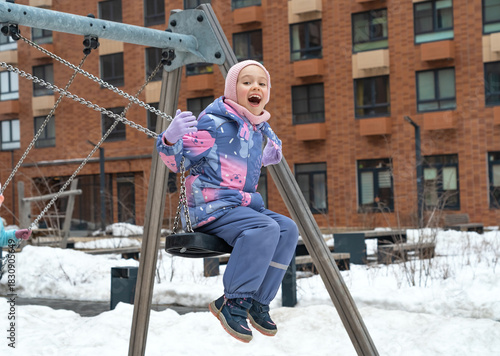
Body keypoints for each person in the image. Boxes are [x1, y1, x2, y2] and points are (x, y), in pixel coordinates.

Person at [156, 60, 299, 343]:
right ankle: (232, 301)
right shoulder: (215, 122)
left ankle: (258, 301)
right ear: (232, 90)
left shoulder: (256, 129)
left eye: (262, 83)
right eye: (246, 82)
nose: (255, 86)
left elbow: (236, 166)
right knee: (265, 229)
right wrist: (171, 140)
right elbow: (180, 162)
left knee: (287, 229)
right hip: (209, 206)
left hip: (240, 206)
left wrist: (263, 159)